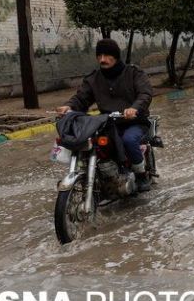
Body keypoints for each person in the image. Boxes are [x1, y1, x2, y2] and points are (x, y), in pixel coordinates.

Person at [56, 39, 154, 191]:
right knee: (93, 143)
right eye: (99, 56)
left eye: (107, 55)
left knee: (129, 140)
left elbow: (145, 94)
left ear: (116, 56)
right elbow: (81, 98)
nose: (102, 59)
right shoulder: (93, 79)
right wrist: (69, 107)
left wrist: (134, 109)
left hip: (134, 122)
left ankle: (140, 175)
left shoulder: (134, 73)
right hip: (108, 124)